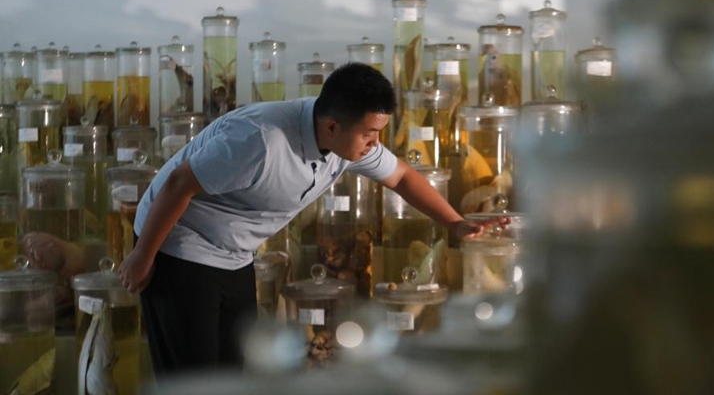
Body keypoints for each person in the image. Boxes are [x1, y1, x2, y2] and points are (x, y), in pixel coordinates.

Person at [119, 62, 503, 377]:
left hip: (235, 254)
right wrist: (142, 257)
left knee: (237, 374)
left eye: (378, 133)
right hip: (180, 244)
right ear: (333, 126)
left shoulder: (344, 140)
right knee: (194, 379)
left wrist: (455, 223)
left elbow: (402, 177)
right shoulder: (259, 140)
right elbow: (176, 184)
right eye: (370, 134)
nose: (375, 144)